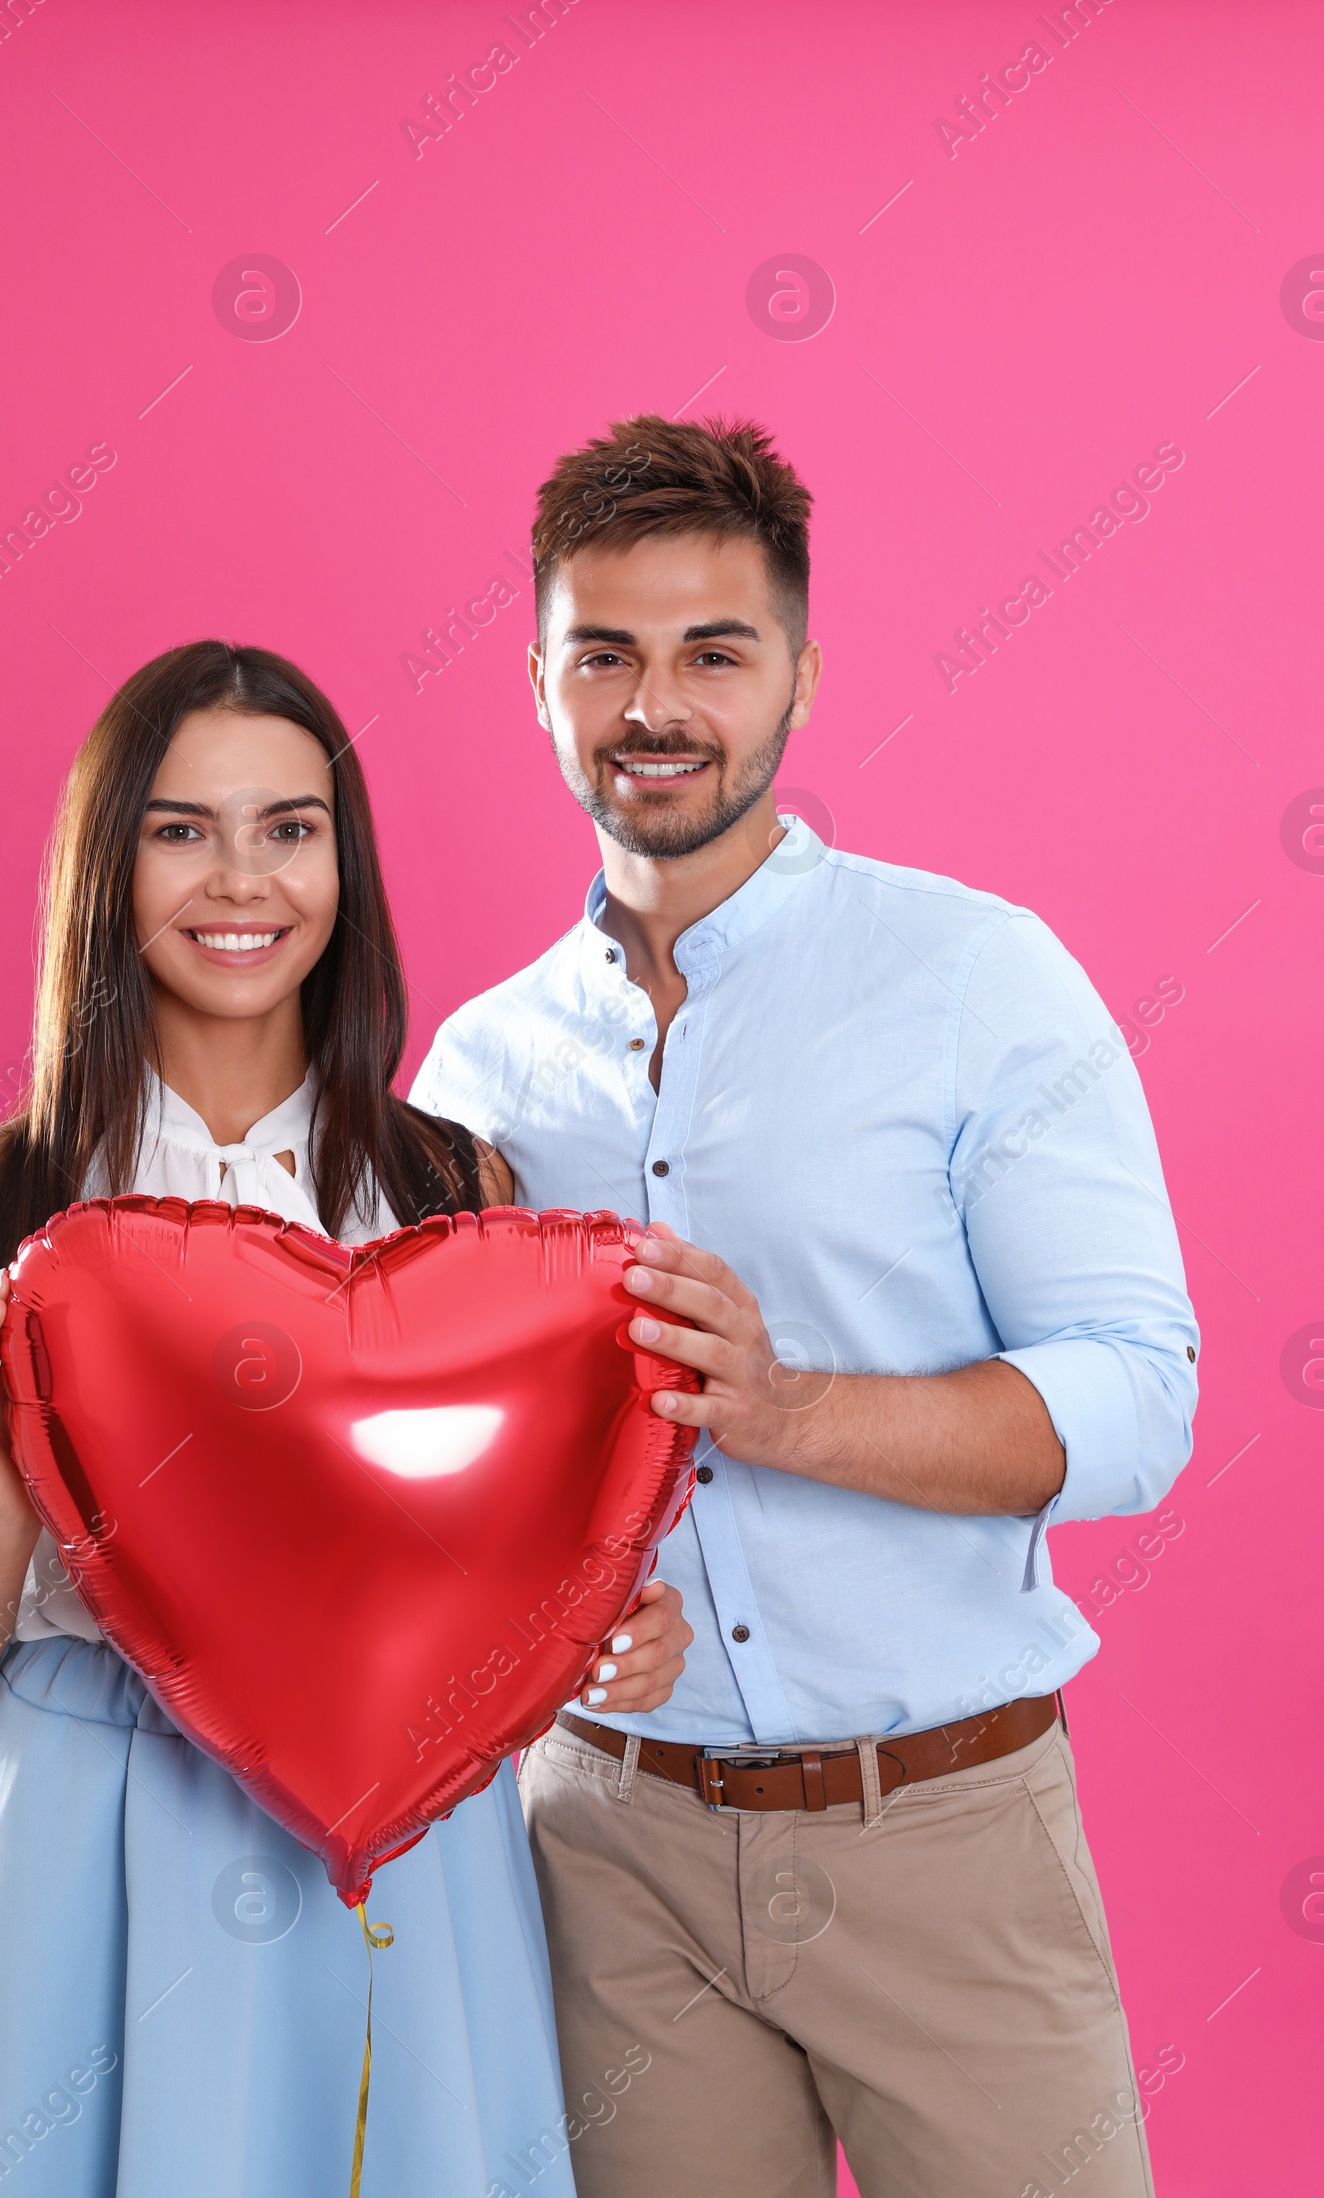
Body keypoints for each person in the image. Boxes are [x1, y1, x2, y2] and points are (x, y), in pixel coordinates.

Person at [406, 416, 1198, 2198]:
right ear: (538, 682)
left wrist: (785, 1411)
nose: (656, 705)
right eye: (604, 652)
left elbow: (1140, 1399)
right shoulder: (473, 1075)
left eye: (714, 650)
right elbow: (450, 1484)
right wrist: (541, 1640)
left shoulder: (977, 979)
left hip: (946, 1838)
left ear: (802, 677)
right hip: (607, 1858)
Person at [0, 639, 689, 2198]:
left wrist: (602, 1633)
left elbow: (500, 1567)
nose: (241, 878)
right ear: (110, 863)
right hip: (73, 1837)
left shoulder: (458, 1189)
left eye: (288, 826)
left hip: (398, 1836)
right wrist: (12, 1515)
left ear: (343, 858)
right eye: (182, 827)